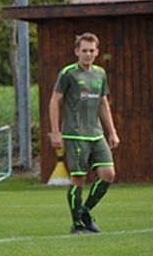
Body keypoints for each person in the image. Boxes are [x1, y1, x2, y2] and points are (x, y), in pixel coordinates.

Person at [49, 32, 120, 234]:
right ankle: (77, 224)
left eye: (91, 51)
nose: (87, 54)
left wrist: (112, 132)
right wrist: (56, 132)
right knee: (79, 178)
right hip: (75, 134)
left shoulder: (100, 74)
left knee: (108, 174)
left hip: (96, 134)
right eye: (84, 51)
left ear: (97, 52)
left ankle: (85, 212)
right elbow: (54, 101)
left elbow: (103, 104)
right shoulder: (68, 73)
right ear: (77, 52)